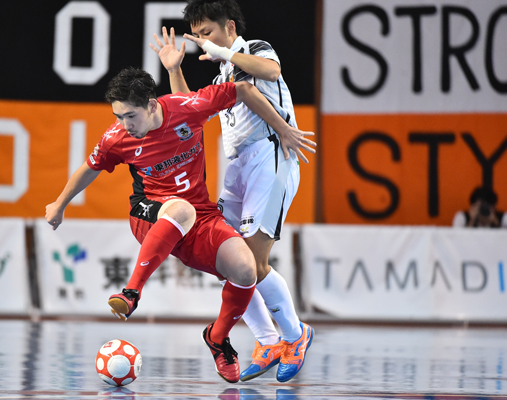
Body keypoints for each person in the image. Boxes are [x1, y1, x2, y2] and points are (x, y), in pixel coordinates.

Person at [45, 67, 314, 383]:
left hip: (201, 216)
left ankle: (218, 338)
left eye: (130, 116)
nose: (125, 124)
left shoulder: (188, 108)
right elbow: (89, 168)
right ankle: (131, 292)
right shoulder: (117, 138)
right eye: (118, 116)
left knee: (246, 269)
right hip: (149, 214)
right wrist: (60, 203)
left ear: (152, 105)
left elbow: (243, 89)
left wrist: (283, 128)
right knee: (182, 209)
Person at [149, 0, 315, 383]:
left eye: (207, 32)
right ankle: (268, 340)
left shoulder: (254, 49)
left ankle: (295, 335)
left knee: (254, 261)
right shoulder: (223, 76)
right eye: (198, 35)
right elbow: (189, 109)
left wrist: (223, 52)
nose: (203, 41)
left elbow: (272, 71)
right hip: (238, 167)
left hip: (270, 156)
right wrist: (174, 69)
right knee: (228, 259)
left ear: (229, 27)